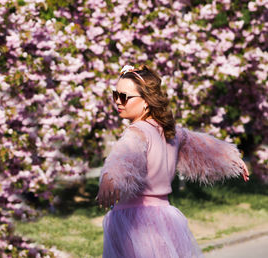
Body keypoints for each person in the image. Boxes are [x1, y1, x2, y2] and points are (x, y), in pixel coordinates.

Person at [96, 64, 249, 258]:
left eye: (124, 97)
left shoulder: (137, 132)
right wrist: (231, 158)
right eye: (115, 95)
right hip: (165, 217)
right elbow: (204, 147)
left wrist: (110, 176)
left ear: (146, 101)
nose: (118, 102)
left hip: (136, 223)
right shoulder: (171, 133)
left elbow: (124, 155)